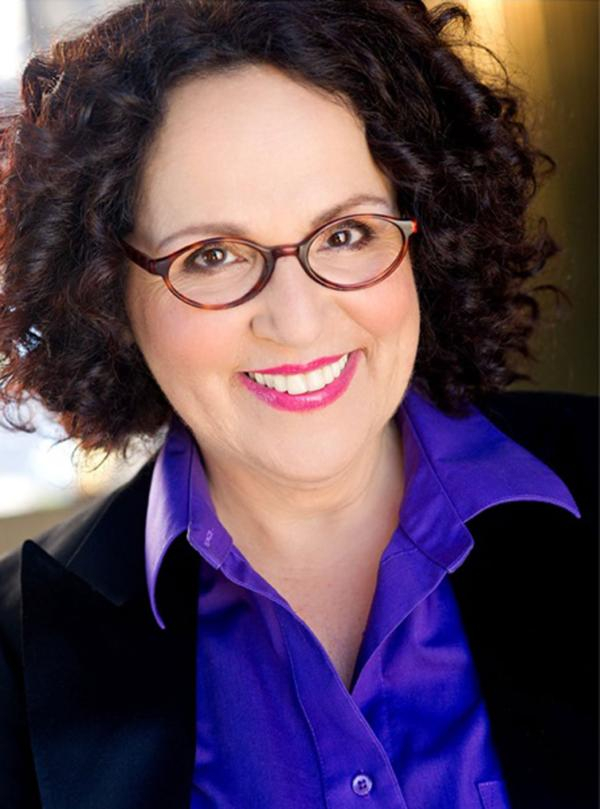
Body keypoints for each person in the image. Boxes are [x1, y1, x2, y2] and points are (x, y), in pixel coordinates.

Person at [0, 0, 596, 807]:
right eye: (213, 254)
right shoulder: (16, 650)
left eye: (346, 233)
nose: (297, 321)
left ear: (421, 234)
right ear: (106, 291)